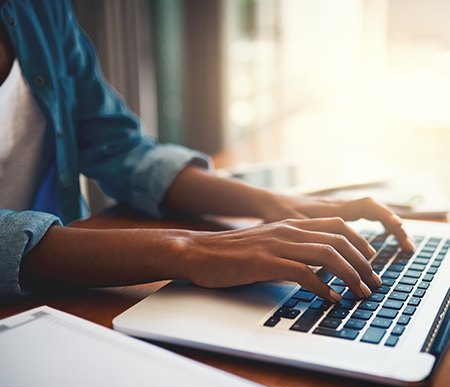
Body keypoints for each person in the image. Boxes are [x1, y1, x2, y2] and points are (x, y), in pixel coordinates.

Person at [0, 0, 413, 301]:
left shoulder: (42, 8)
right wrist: (192, 250)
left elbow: (120, 147)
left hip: (61, 296)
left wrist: (273, 205)